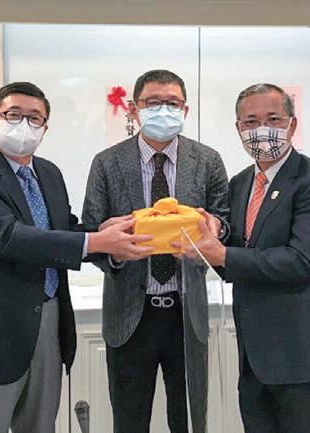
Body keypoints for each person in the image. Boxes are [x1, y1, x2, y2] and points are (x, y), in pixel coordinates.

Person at [0, 82, 152, 433]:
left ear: (45, 128)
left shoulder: (48, 173)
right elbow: (8, 236)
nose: (24, 125)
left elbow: (60, 229)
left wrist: (105, 234)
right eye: (13, 115)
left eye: (35, 118)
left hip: (48, 323)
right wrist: (95, 241)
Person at [192, 83, 310, 433]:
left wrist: (222, 253)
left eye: (273, 119)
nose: (262, 130)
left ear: (292, 124)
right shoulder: (240, 183)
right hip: (254, 358)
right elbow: (236, 255)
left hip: (304, 355)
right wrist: (212, 233)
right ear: (238, 129)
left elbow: (301, 262)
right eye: (251, 122)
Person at [82, 69, 229, 433]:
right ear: (134, 109)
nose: (164, 110)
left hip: (187, 312)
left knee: (190, 419)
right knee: (129, 421)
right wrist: (115, 249)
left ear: (185, 110)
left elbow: (225, 222)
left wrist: (214, 228)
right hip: (130, 313)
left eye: (173, 103)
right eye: (153, 102)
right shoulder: (107, 162)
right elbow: (91, 231)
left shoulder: (207, 160)